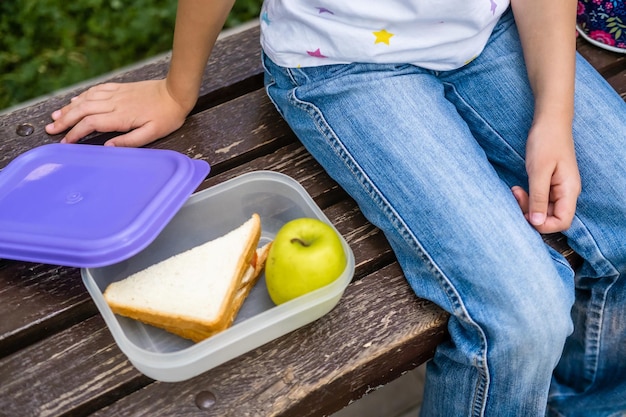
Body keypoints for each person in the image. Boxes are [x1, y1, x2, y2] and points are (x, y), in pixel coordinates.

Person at [45, 0, 626, 415]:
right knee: (524, 312)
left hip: (498, 29)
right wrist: (177, 90)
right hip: (345, 63)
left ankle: (588, 403)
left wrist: (554, 117)